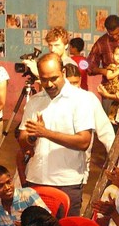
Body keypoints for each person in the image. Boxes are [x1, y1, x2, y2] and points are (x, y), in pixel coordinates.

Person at [19, 53, 96, 217]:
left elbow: (84, 141)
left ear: (63, 72)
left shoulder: (81, 99)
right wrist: (32, 137)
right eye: (44, 79)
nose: (49, 84)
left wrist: (45, 133)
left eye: (54, 78)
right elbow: (23, 140)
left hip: (66, 182)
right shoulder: (35, 101)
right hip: (36, 178)